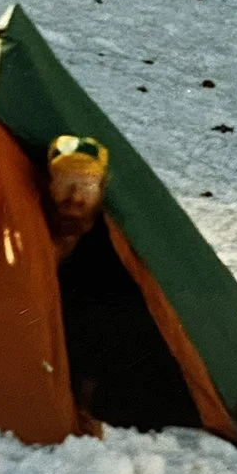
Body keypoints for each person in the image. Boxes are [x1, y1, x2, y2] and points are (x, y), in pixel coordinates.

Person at [46, 136, 201, 433]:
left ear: (102, 190)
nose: (75, 196)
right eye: (65, 184)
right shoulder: (28, 234)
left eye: (87, 186)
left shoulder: (115, 254)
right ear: (48, 185)